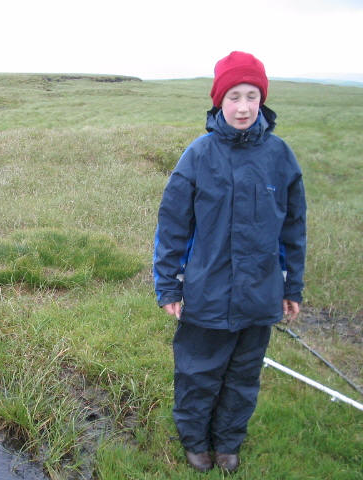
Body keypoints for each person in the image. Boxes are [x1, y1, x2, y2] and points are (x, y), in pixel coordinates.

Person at [152, 51, 306, 473]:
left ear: (262, 99)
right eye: (234, 96)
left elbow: (294, 228)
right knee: (198, 373)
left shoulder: (280, 156)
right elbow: (173, 226)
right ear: (219, 100)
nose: (242, 106)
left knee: (242, 376)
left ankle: (228, 442)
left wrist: (291, 287)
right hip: (207, 291)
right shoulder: (198, 156)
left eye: (251, 96)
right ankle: (195, 440)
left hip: (260, 295)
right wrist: (168, 285)